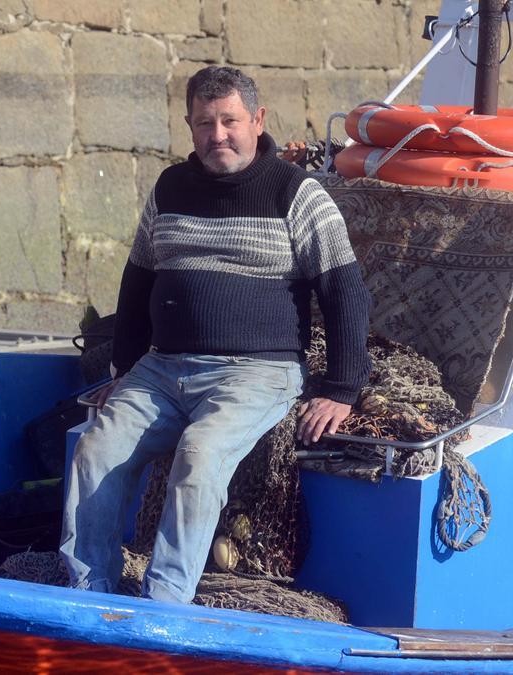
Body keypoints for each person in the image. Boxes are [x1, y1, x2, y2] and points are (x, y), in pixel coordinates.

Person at [59, 66, 371, 604]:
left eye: (230, 120)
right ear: (189, 125)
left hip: (256, 372)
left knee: (200, 456)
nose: (218, 134)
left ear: (258, 119)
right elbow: (138, 282)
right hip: (161, 370)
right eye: (205, 123)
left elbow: (345, 291)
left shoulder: (298, 194)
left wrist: (341, 389)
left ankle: (165, 606)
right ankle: (89, 596)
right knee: (95, 451)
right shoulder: (169, 187)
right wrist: (124, 369)